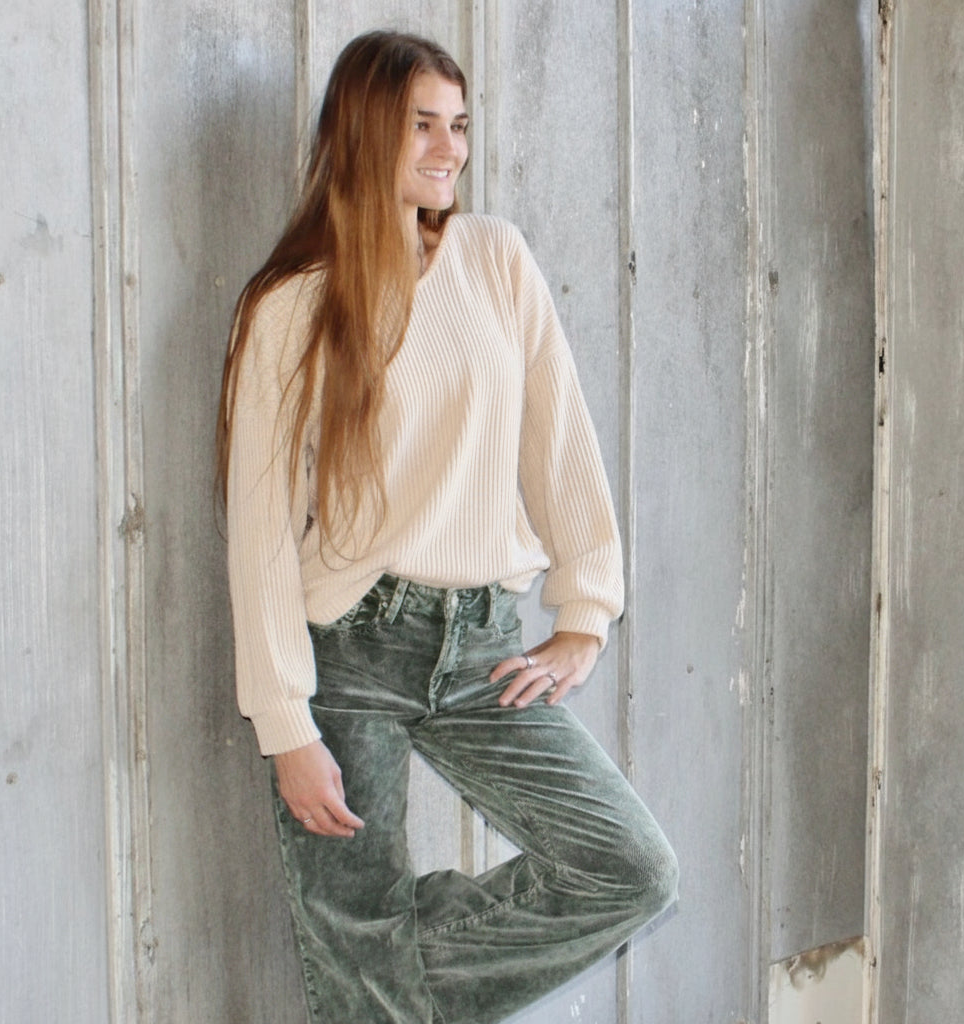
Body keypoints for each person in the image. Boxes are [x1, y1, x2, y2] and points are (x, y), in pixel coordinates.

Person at [216, 28, 677, 1024]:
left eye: (458, 125)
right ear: (361, 132)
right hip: (349, 653)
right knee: (359, 950)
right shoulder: (290, 306)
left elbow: (559, 439)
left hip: (480, 648)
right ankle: (362, 965)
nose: (449, 148)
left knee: (629, 869)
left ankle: (368, 965)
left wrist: (586, 612)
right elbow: (259, 532)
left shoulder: (494, 259)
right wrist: (286, 724)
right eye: (421, 124)